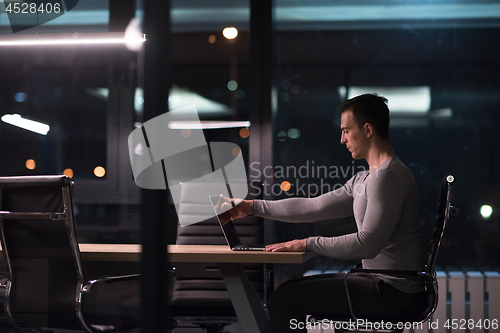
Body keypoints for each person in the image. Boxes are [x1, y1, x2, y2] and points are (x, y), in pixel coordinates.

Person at [219, 93, 428, 333]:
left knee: (285, 299)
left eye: (347, 130)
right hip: (381, 284)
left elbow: (367, 244)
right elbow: (312, 206)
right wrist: (251, 206)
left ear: (368, 129)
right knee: (288, 293)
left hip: (393, 293)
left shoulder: (387, 177)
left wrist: (308, 243)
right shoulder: (366, 178)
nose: (342, 139)